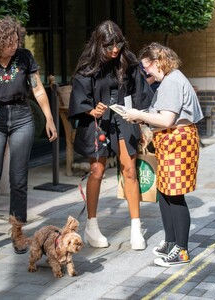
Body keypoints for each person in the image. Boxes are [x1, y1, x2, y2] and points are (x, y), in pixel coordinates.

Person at [68, 20, 153, 250]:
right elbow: (79, 94)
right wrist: (90, 109)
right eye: (109, 46)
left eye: (118, 44)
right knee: (96, 171)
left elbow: (140, 92)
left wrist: (141, 120)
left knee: (129, 169)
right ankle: (92, 226)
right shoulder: (89, 65)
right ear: (99, 44)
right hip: (99, 120)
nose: (115, 50)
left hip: (124, 118)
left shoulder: (129, 61)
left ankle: (136, 227)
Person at [0, 16, 57, 260]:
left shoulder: (24, 57)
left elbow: (37, 88)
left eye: (16, 40)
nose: (15, 45)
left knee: (19, 178)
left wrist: (50, 118)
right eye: (9, 42)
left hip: (22, 116)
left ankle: (17, 232)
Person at [123, 42, 204, 266]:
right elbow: (162, 115)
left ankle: (182, 251)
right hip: (173, 140)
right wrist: (141, 116)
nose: (145, 71)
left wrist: (139, 114)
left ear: (158, 62)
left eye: (146, 65)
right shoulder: (171, 79)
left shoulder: (172, 82)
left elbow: (167, 120)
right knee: (166, 192)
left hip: (177, 140)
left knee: (175, 195)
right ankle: (171, 242)